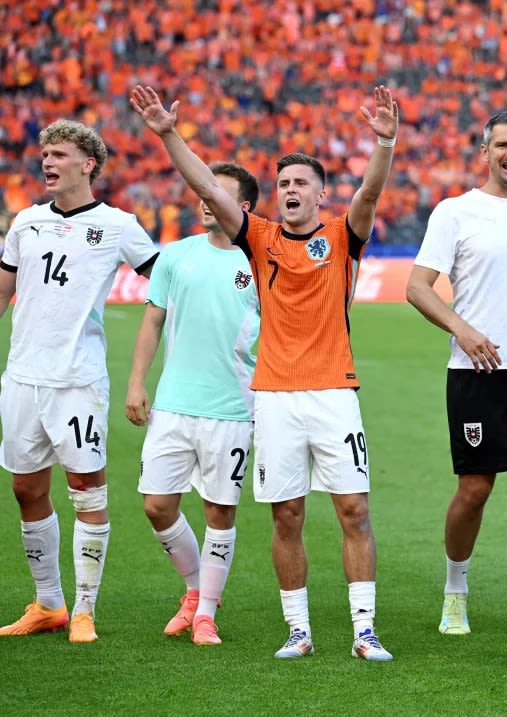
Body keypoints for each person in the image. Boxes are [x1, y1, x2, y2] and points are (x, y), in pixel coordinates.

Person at [130, 84, 397, 661]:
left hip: (334, 393)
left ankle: (364, 630)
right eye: (285, 184)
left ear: (323, 195)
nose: (291, 190)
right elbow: (205, 185)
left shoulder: (342, 237)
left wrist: (383, 142)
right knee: (288, 515)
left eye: (302, 183)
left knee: (354, 510)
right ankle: (298, 630)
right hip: (274, 396)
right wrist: (168, 133)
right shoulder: (261, 238)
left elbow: (372, 190)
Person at [406, 110, 507, 639]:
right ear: (484, 152)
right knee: (474, 489)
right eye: (501, 145)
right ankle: (455, 592)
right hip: (478, 370)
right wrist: (464, 330)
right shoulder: (456, 212)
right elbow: (418, 286)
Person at [0, 119, 159, 643]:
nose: (47, 162)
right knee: (26, 487)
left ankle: (85, 608)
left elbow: (163, 285)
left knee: (87, 489)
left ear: (88, 164)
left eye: (59, 154)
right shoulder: (25, 222)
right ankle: (49, 603)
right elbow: (3, 292)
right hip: (23, 377)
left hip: (78, 381)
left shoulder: (118, 224)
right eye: (44, 154)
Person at [124, 162, 261, 646]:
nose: (204, 200)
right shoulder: (175, 256)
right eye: (201, 191)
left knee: (219, 511)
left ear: (242, 208)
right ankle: (194, 590)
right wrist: (137, 382)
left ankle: (205, 614)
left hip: (233, 407)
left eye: (216, 193)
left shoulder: (259, 262)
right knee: (157, 505)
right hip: (174, 404)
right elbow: (152, 322)